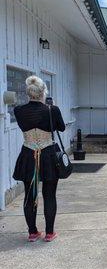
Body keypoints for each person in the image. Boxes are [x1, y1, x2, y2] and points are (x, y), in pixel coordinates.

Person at [12, 75, 65, 242]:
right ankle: (49, 233)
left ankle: (32, 232)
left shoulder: (18, 110)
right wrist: (52, 109)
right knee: (49, 194)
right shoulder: (52, 110)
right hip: (48, 154)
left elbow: (24, 125)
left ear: (28, 93)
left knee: (30, 194)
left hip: (28, 154)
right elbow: (61, 128)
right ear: (43, 92)